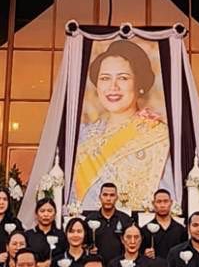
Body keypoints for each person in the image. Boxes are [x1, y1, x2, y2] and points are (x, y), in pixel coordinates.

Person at [72, 38, 169, 208]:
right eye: (104, 78)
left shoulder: (158, 135)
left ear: (139, 83)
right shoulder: (83, 135)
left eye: (123, 78)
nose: (113, 87)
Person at [83, 181, 130, 265]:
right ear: (100, 197)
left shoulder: (125, 219)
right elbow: (83, 244)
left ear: (117, 198)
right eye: (105, 195)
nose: (108, 198)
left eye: (112, 195)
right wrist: (88, 250)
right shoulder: (90, 219)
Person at [144, 188, 187, 260]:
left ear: (171, 203)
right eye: (159, 202)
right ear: (153, 203)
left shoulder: (181, 230)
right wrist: (145, 254)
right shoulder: (145, 230)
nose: (162, 205)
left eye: (165, 201)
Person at [23, 196, 63, 267]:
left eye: (49, 211)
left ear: (55, 214)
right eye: (42, 211)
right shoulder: (28, 235)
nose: (46, 214)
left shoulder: (61, 235)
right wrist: (37, 264)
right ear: (36, 214)